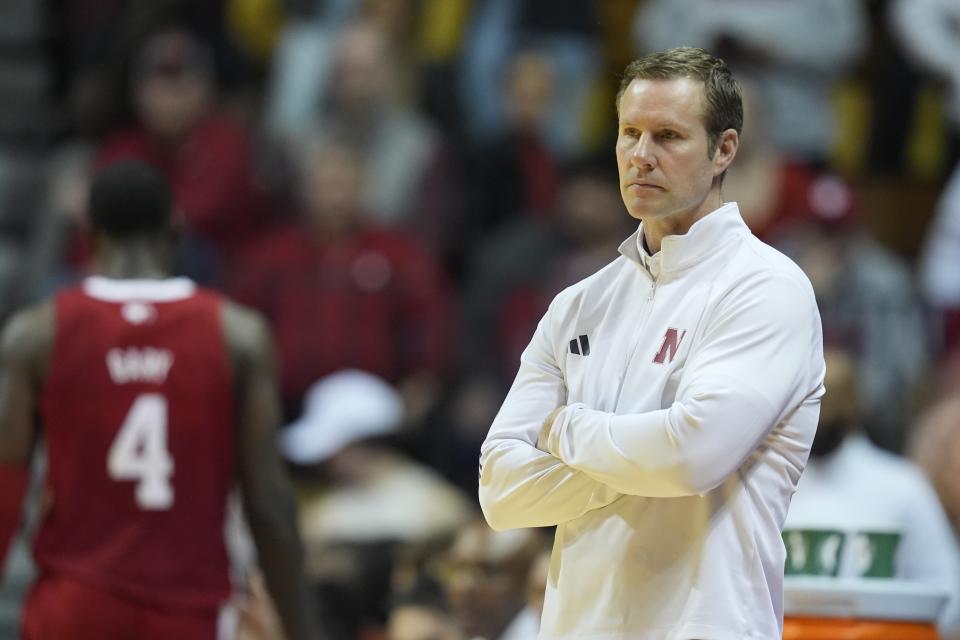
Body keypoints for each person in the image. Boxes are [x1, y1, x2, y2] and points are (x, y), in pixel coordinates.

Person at [478, 47, 825, 638]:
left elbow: (691, 456)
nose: (641, 156)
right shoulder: (577, 304)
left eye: (668, 136)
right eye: (629, 134)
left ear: (724, 150)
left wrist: (563, 431)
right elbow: (501, 493)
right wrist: (644, 457)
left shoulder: (769, 289)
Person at [0, 160, 318, 639]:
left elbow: (5, 493)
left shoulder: (36, 334)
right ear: (176, 226)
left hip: (72, 605)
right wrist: (300, 630)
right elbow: (269, 503)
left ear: (89, 230)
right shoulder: (238, 335)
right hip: (187, 609)